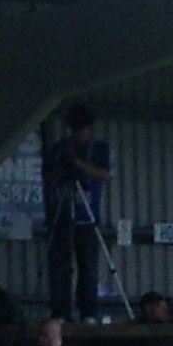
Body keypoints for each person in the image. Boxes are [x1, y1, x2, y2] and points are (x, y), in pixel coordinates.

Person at [42, 103, 116, 318]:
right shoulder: (59, 149)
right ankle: (60, 312)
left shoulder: (100, 148)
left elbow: (105, 174)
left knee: (88, 267)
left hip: (87, 216)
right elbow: (48, 175)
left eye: (82, 129)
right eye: (75, 130)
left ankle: (88, 312)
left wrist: (79, 165)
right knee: (59, 267)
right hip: (61, 216)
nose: (79, 134)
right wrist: (65, 169)